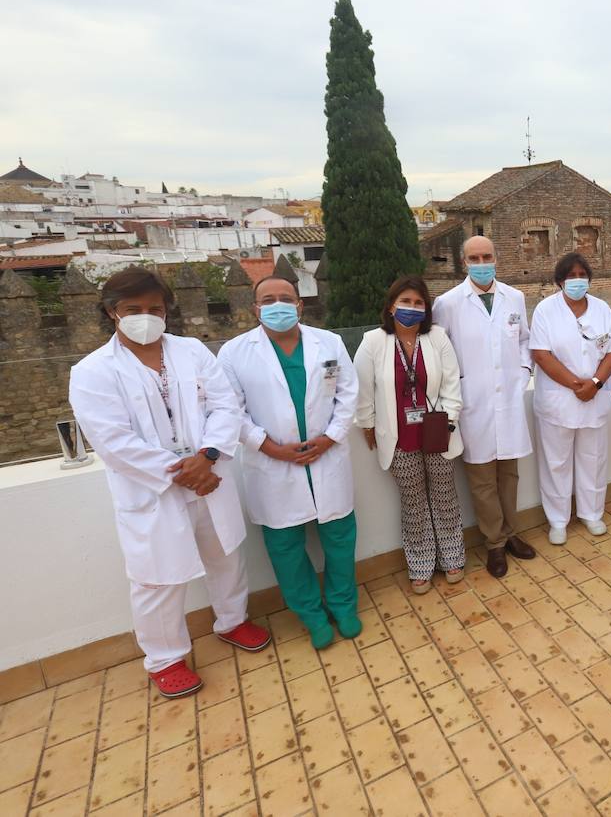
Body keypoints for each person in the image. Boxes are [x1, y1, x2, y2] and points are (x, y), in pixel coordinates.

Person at [69, 268, 270, 698]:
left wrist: (209, 456)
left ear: (167, 311)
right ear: (112, 313)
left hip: (209, 477)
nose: (146, 316)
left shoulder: (192, 351)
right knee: (157, 579)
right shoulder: (92, 372)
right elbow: (113, 442)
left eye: (154, 309)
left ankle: (232, 621)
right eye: (133, 309)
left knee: (225, 555)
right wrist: (183, 472)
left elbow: (224, 405)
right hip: (154, 491)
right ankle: (165, 658)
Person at [219, 275, 360, 649]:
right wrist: (268, 447)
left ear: (300, 305)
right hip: (272, 465)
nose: (277, 304)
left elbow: (349, 393)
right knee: (285, 548)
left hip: (327, 456)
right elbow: (229, 410)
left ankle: (343, 605)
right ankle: (312, 616)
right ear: (255, 308)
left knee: (340, 539)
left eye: (286, 298)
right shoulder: (234, 353)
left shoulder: (328, 342)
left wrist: (330, 438)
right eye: (268, 299)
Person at [432, 236, 538, 579]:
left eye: (487, 256)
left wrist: (523, 372)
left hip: (508, 399)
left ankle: (512, 535)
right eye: (474, 258)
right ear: (464, 262)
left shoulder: (515, 297)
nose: (481, 263)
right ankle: (494, 544)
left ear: (497, 258)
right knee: (481, 481)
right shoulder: (447, 304)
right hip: (471, 404)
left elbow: (524, 340)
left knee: (509, 475)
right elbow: (439, 353)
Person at [354, 276, 466, 594]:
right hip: (398, 437)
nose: (412, 308)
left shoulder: (438, 337)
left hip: (437, 433)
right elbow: (363, 390)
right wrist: (366, 423)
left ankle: (452, 557)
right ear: (391, 307)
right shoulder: (373, 342)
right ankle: (420, 565)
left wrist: (449, 421)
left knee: (445, 497)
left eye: (419, 303)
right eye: (405, 301)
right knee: (413, 503)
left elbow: (451, 383)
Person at [530, 253, 611, 545]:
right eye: (571, 276)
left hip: (594, 398)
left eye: (582, 275)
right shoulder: (545, 310)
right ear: (560, 281)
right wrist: (576, 385)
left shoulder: (603, 309)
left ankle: (592, 514)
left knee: (593, 460)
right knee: (556, 462)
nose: (577, 280)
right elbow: (541, 354)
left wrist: (595, 383)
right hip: (558, 400)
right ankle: (558, 520)